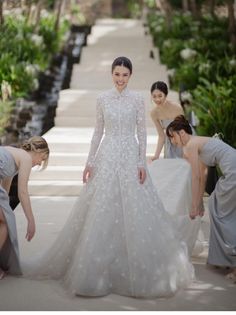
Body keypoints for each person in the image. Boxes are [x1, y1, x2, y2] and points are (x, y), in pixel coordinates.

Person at [23, 57, 194, 298]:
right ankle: (93, 273)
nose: (120, 79)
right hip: (107, 154)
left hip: (129, 155)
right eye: (117, 74)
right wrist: (89, 162)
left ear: (130, 76)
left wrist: (140, 161)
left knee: (135, 207)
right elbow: (98, 132)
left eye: (124, 75)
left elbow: (141, 132)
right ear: (111, 74)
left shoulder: (137, 99)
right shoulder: (102, 98)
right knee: (101, 208)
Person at [166, 115, 236, 281]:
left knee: (222, 215)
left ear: (181, 133)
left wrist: (194, 206)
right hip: (232, 170)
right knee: (215, 206)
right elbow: (203, 177)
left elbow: (196, 177)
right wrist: (199, 206)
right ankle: (222, 258)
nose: (173, 142)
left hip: (233, 172)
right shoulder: (196, 142)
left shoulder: (190, 145)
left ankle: (232, 260)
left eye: (172, 137)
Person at [0, 136, 49, 279]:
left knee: (4, 219)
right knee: (5, 224)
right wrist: (31, 221)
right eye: (42, 159)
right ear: (38, 151)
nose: (39, 163)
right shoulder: (26, 159)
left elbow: (5, 190)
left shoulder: (14, 154)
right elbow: (22, 191)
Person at [150, 81, 184, 160]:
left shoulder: (177, 108)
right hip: (170, 141)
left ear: (166, 95)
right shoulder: (154, 113)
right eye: (154, 96)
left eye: (160, 96)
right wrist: (156, 155)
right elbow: (161, 135)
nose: (157, 99)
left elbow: (184, 130)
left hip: (183, 138)